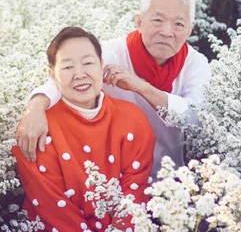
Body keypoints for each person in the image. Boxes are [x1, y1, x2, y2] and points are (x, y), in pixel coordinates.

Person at [16, 0, 211, 178]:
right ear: (139, 22)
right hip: (108, 174)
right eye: (157, 20)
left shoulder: (195, 64)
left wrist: (142, 87)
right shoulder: (112, 52)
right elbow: (67, 76)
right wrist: (35, 107)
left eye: (178, 24)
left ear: (189, 31)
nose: (167, 32)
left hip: (169, 176)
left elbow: (197, 119)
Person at [12, 27, 155, 232]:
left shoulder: (133, 120)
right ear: (52, 75)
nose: (79, 74)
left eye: (88, 63)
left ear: (101, 66)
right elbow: (53, 208)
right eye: (68, 67)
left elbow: (134, 196)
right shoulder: (36, 129)